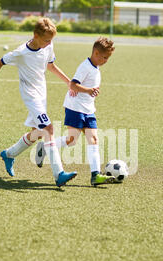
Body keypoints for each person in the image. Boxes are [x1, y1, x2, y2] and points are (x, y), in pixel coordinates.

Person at [0, 17, 77, 187]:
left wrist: (69, 82)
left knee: (38, 133)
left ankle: (9, 154)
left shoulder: (48, 44)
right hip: (30, 95)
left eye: (51, 40)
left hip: (42, 92)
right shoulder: (21, 52)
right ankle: (59, 174)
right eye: (46, 40)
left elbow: (51, 66)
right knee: (48, 128)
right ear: (35, 35)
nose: (49, 44)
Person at [35, 37, 116, 186]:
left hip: (89, 109)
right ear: (96, 53)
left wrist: (89, 93)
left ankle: (95, 175)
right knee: (72, 141)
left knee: (94, 139)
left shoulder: (95, 67)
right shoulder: (85, 66)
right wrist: (89, 90)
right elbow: (73, 85)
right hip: (75, 108)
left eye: (108, 58)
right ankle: (46, 146)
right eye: (104, 57)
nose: (106, 61)